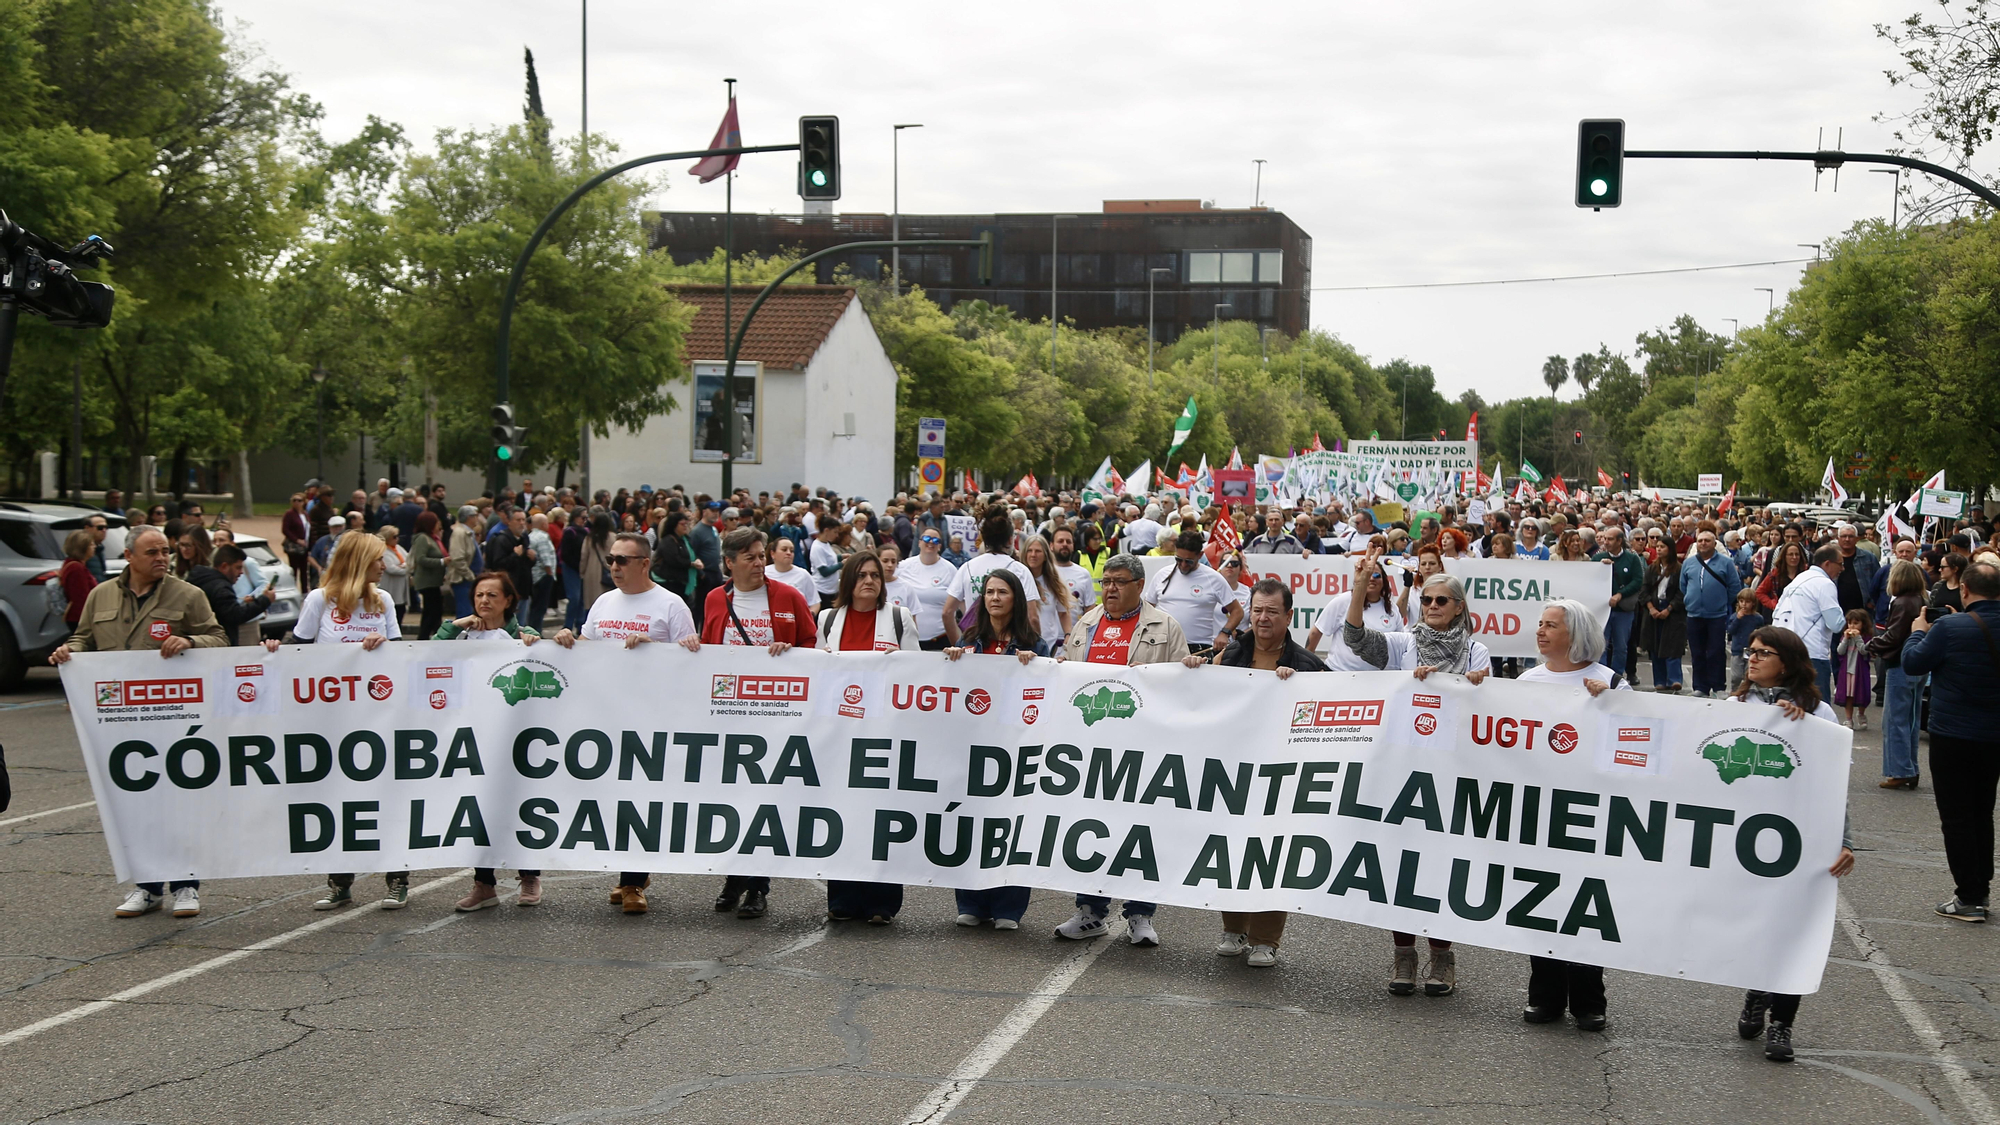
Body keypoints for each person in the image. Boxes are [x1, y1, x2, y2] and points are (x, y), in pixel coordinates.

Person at [49, 527, 228, 919]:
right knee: (133, 806)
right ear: (129, 555)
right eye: (152, 552)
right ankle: (147, 887)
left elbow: (219, 638)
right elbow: (84, 640)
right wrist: (68, 651)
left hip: (175, 721)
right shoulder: (101, 595)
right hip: (120, 724)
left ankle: (185, 885)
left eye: (165, 550)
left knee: (178, 804)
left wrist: (191, 643)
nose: (162, 557)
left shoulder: (187, 595)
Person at [1344, 548, 1488, 997]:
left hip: (1451, 773)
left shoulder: (1477, 650)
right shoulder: (1404, 644)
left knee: (1440, 867)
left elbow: (1488, 713)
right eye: (1426, 600)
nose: (1430, 607)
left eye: (1440, 601)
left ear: (1459, 608)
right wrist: (1359, 584)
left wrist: (1471, 687)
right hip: (1402, 771)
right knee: (1400, 866)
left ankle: (1442, 956)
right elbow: (1354, 639)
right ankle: (1404, 953)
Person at [553, 532, 702, 915]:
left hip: (652, 718)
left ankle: (633, 880)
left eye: (623, 560)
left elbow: (692, 660)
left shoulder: (671, 605)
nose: (615, 567)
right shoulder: (603, 602)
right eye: (611, 560)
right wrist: (569, 639)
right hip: (607, 716)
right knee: (613, 801)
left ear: (645, 564)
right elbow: (587, 650)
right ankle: (629, 875)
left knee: (641, 801)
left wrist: (659, 651)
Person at [1181, 578, 1327, 967]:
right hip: (1235, 773)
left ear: (1289, 616)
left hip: (1283, 777)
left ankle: (1266, 939)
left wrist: (1296, 691)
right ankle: (1234, 928)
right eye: (1257, 610)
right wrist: (1196, 668)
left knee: (1272, 855)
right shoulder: (1229, 655)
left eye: (1272, 612)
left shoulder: (1308, 666)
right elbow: (1204, 700)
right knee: (1231, 851)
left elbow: (1330, 718)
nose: (1263, 619)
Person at [1727, 625, 1856, 1062]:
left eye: (1763, 652)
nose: (1753, 658)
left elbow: (1836, 785)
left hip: (1802, 839)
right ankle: (1757, 990)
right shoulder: (1735, 706)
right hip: (1744, 838)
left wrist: (1845, 840)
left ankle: (1782, 1022)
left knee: (1794, 929)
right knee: (1757, 925)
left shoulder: (1820, 716)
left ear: (1788, 660)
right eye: (1751, 650)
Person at [266, 531, 411, 911]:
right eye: (378, 558)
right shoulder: (319, 600)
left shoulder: (383, 601)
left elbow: (400, 659)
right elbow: (298, 654)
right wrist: (273, 652)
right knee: (337, 802)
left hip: (378, 718)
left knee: (384, 798)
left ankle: (397, 878)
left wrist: (382, 649)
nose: (385, 565)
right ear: (360, 561)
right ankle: (339, 881)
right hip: (330, 720)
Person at [1056, 553, 1189, 946]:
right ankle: (1090, 911)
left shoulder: (1164, 626)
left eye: (1117, 582)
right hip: (1094, 748)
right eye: (1105, 582)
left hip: (1144, 750)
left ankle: (1141, 915)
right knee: (1092, 829)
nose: (1109, 589)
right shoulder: (1087, 623)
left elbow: (1183, 687)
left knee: (1140, 831)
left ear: (1138, 585)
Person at [1511, 598, 1630, 1030]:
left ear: (1575, 633)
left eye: (1551, 626)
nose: (1540, 632)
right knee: (1540, 902)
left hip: (1591, 813)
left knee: (1584, 906)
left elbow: (1640, 739)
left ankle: (1588, 1000)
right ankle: (1544, 996)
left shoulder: (1610, 680)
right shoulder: (1526, 681)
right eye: (1539, 625)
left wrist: (1614, 705)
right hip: (1540, 811)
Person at [701, 526, 816, 920]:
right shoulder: (716, 599)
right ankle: (734, 877)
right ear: (729, 563)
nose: (758, 562)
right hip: (729, 718)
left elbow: (810, 645)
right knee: (732, 803)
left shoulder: (787, 596)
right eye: (748, 557)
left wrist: (792, 652)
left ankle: (758, 888)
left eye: (760, 555)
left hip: (776, 719)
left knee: (766, 803)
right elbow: (709, 651)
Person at [943, 568, 1052, 930]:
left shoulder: (1033, 643)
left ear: (1015, 598)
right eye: (988, 592)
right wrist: (952, 662)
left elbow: (1048, 686)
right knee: (971, 823)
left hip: (1016, 748)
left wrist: (1036, 667)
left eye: (1002, 592)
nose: (994, 598)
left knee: (1013, 825)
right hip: (975, 747)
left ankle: (1008, 906)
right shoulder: (971, 639)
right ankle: (971, 900)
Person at [817, 550, 920, 924]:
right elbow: (815, 673)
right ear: (848, 581)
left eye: (875, 575)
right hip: (841, 734)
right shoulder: (828, 619)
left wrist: (899, 662)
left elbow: (918, 674)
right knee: (841, 813)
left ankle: (882, 901)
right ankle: (843, 897)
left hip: (885, 731)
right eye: (861, 575)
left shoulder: (897, 618)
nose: (869, 581)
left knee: (881, 818)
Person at [436, 571, 545, 912]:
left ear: (508, 601)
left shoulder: (523, 635)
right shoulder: (461, 633)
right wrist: (455, 625)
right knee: (478, 808)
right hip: (473, 735)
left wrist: (534, 641)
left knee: (518, 805)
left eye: (492, 596)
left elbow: (545, 660)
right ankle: (483, 884)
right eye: (479, 595)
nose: (484, 601)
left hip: (513, 737)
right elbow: (424, 654)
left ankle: (529, 876)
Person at [1900, 559, 2000, 924]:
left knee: (1956, 817)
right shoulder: (1960, 624)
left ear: (1966, 590)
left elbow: (1913, 662)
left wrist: (1918, 630)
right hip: (1993, 735)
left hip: (1953, 734)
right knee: (1981, 812)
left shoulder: (1949, 626)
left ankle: (1968, 897)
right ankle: (1981, 886)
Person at [1868, 560, 1929, 789]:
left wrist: (1870, 645)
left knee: (1895, 720)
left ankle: (1900, 770)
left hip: (1900, 663)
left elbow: (1893, 636)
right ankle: (1910, 768)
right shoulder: (1921, 599)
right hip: (1918, 663)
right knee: (1911, 719)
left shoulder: (1902, 603)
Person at [943, 511, 1039, 644]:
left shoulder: (968, 567)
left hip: (976, 644)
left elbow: (947, 613)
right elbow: (1032, 618)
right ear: (1010, 540)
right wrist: (1035, 649)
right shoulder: (1019, 570)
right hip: (1010, 646)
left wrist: (961, 645)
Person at [1144, 531, 1242, 653]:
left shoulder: (1213, 578)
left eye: (1189, 561)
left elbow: (1237, 611)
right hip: (1163, 644)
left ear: (1200, 555)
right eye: (1179, 559)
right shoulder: (1162, 574)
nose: (1183, 565)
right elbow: (1146, 608)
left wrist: (1224, 633)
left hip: (1198, 648)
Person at [1772, 545, 1845, 703]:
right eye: (1840, 564)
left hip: (1786, 652)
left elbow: (1775, 613)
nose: (1842, 568)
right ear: (1827, 563)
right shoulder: (1824, 584)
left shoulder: (1798, 579)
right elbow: (1836, 624)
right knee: (1818, 708)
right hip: (1813, 655)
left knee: (1791, 705)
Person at [1305, 551, 1405, 664]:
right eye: (1368, 574)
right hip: (1341, 675)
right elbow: (1316, 633)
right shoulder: (1342, 601)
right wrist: (1308, 665)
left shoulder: (1392, 608)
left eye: (1376, 575)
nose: (1371, 578)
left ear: (1384, 581)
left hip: (1380, 678)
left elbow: (1399, 644)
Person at [1680, 525, 1741, 698]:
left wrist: (1719, 602)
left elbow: (1734, 587)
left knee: (1716, 652)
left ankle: (1718, 686)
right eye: (1700, 541)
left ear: (1714, 543)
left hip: (1716, 615)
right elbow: (1683, 585)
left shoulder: (1726, 563)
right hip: (1694, 615)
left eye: (1707, 541)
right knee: (1697, 652)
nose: (1703, 544)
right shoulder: (1689, 563)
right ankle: (1700, 687)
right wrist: (1692, 601)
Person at [1592, 527, 1644, 678]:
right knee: (1601, 644)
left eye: (1610, 539)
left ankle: (1617, 675)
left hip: (1623, 610)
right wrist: (1600, 567)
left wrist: (1621, 594)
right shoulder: (1598, 558)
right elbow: (1589, 579)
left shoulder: (1632, 558)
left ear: (1619, 541)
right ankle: (1600, 675)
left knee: (1621, 646)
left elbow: (1638, 580)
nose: (1605, 542)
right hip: (1603, 609)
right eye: (1605, 539)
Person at [1640, 537, 1686, 692]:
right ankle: (1659, 680)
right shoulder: (1652, 569)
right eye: (1657, 546)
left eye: (1663, 546)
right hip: (1654, 608)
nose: (1659, 549)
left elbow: (1682, 592)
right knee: (1655, 645)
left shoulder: (1679, 569)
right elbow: (1644, 590)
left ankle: (1674, 679)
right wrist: (1651, 607)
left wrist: (1670, 608)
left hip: (1672, 611)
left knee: (1672, 645)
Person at [1019, 534, 1077, 644]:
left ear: (1046, 555)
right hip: (1024, 646)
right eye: (1029, 551)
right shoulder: (1018, 580)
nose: (1033, 555)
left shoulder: (1054, 581)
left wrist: (1068, 634)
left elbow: (1063, 612)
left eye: (1038, 551)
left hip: (1050, 647)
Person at [408, 511, 449, 641]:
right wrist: (442, 562)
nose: (439, 524)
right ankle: (424, 637)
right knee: (432, 612)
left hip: (435, 581)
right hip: (427, 582)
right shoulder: (422, 538)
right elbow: (420, 559)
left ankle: (433, 636)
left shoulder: (433, 538)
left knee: (435, 611)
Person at [651, 509, 701, 615]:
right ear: (674, 525)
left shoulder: (684, 539)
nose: (685, 527)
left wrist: (697, 561)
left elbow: (691, 554)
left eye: (687, 524)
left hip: (682, 581)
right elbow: (674, 560)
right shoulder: (668, 540)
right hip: (670, 582)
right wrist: (691, 564)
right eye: (682, 524)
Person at [1833, 608, 1874, 728]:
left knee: (1862, 694)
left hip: (1860, 671)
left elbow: (1863, 651)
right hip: (1847, 671)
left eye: (1856, 623)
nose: (1852, 626)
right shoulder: (1845, 637)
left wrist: (1857, 638)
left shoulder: (1866, 637)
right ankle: (1848, 719)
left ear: (1863, 624)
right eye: (1850, 623)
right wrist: (1845, 639)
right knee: (1848, 696)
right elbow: (1840, 651)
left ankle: (1861, 713)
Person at [764, 535, 821, 609]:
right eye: (784, 550)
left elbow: (815, 603)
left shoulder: (803, 574)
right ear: (772, 554)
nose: (788, 553)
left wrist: (808, 616)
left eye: (791, 551)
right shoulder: (764, 573)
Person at [1726, 588, 1765, 692]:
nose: (1744, 604)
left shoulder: (1757, 618)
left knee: (1749, 674)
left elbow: (1761, 632)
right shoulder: (1735, 616)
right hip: (1737, 650)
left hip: (1750, 650)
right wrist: (1738, 619)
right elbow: (1730, 630)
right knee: (1736, 676)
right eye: (1741, 601)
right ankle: (1734, 691)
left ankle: (1746, 692)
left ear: (1753, 603)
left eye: (1747, 602)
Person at [58, 528, 97, 629]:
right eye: (91, 544)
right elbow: (81, 598)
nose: (95, 547)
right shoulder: (76, 568)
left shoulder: (74, 564)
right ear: (83, 547)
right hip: (79, 619)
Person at [446, 506, 480, 616]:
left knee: (469, 611)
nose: (477, 518)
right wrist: (469, 575)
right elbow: (457, 558)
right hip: (463, 580)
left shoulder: (469, 532)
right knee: (465, 613)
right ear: (469, 517)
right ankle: (462, 633)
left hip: (469, 580)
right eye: (475, 515)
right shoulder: (460, 533)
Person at [377, 525, 411, 629]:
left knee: (401, 610)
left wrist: (404, 566)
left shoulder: (398, 548)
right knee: (393, 611)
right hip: (390, 586)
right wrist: (406, 568)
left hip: (401, 586)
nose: (397, 539)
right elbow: (391, 569)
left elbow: (409, 560)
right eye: (394, 536)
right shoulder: (383, 551)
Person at [808, 519, 846, 610]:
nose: (837, 535)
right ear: (826, 530)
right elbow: (824, 571)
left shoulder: (826, 544)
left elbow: (829, 560)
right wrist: (842, 564)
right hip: (822, 590)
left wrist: (841, 557)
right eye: (835, 532)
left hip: (831, 589)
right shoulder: (817, 547)